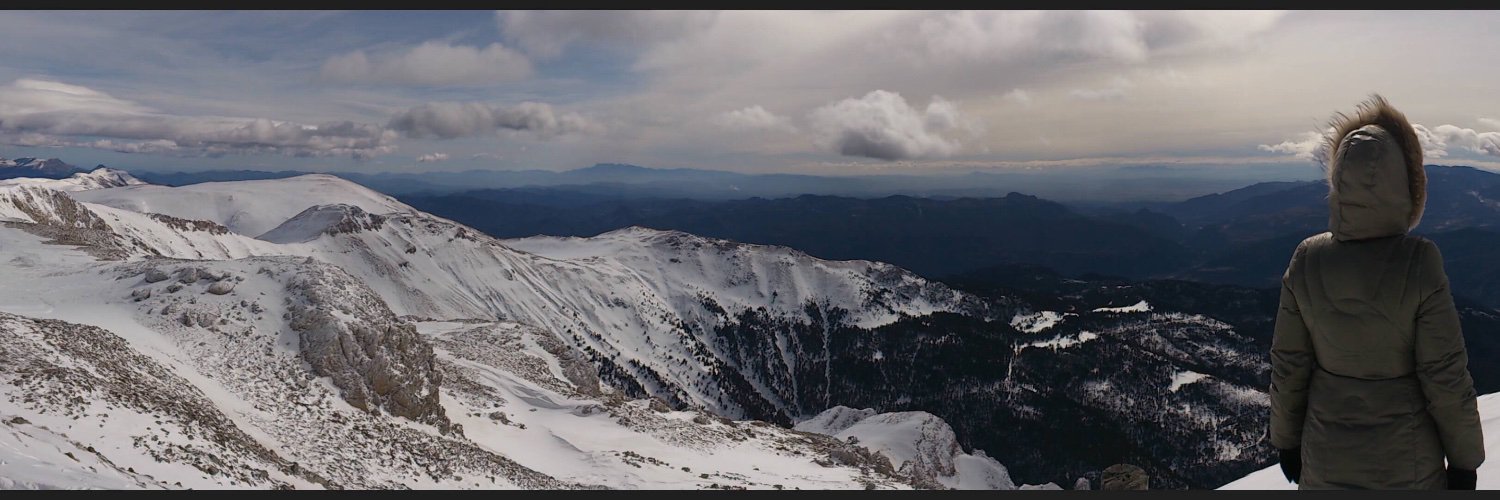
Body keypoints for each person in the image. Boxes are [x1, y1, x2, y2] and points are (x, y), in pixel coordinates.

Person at [1268, 95, 1485, 490]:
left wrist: (1285, 441)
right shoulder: (1419, 262)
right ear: (1406, 184)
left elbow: (1289, 366)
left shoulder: (1307, 258)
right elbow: (1445, 375)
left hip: (1324, 460)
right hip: (1408, 465)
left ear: (1338, 182)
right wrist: (1466, 461)